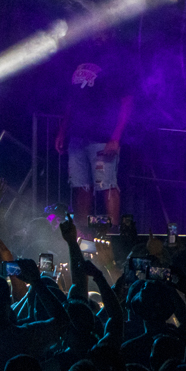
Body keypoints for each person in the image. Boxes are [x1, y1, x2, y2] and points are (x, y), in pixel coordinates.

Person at [54, 33, 134, 228]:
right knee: (81, 187)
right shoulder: (78, 59)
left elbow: (127, 101)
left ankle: (112, 235)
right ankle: (81, 235)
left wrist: (115, 137)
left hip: (102, 136)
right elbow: (71, 101)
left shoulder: (115, 61)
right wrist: (63, 131)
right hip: (78, 135)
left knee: (106, 186)